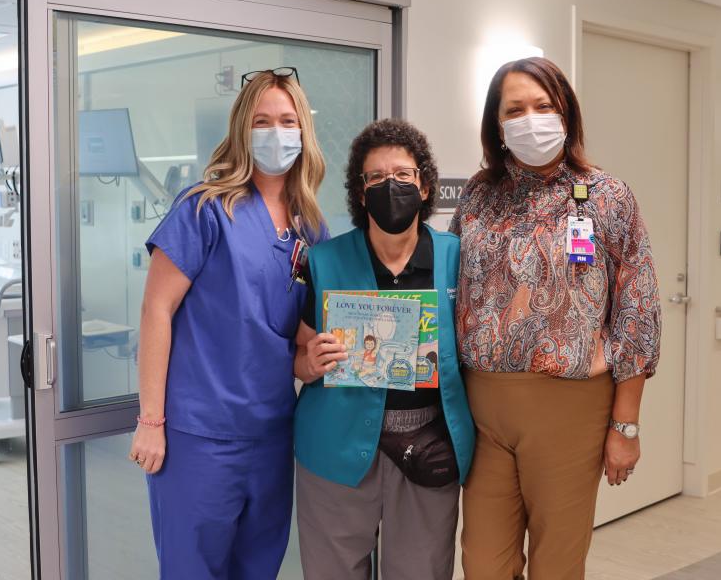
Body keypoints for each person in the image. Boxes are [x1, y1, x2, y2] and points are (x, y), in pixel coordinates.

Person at [450, 57, 662, 579]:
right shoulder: (478, 196)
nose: (531, 118)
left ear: (566, 112)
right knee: (482, 563)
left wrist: (625, 425)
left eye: (543, 106)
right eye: (515, 109)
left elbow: (638, 312)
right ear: (497, 126)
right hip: (483, 410)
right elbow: (451, 287)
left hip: (568, 409)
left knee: (557, 566)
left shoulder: (607, 196)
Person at [128, 67, 326, 579]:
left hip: (272, 433)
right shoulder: (205, 209)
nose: (276, 132)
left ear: (303, 131)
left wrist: (317, 359)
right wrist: (150, 420)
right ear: (241, 129)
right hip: (200, 436)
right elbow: (156, 311)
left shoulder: (310, 227)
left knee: (258, 567)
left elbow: (292, 337)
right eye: (262, 121)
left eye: (287, 120)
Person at [293, 118, 475, 580]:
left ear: (425, 185)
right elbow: (292, 353)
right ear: (359, 193)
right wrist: (308, 364)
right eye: (375, 177)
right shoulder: (323, 260)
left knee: (421, 570)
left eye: (402, 175)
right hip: (334, 445)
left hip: (429, 445)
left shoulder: (457, 259)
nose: (389, 185)